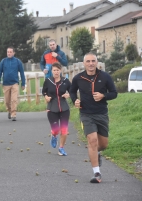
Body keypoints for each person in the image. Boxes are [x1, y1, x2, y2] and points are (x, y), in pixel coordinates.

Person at [70, 52, 117, 183]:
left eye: (93, 61)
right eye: (88, 61)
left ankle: (96, 153)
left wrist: (103, 96)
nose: (91, 64)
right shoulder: (78, 78)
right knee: (92, 140)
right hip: (86, 114)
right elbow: (72, 91)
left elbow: (114, 93)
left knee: (103, 144)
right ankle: (97, 173)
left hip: (101, 113)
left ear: (96, 62)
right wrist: (75, 101)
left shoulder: (105, 77)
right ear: (84, 63)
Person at [42, 62, 71, 156]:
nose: (56, 72)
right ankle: (54, 135)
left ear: (60, 71)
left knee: (64, 130)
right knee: (55, 130)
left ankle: (61, 148)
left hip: (64, 108)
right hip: (52, 108)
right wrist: (46, 97)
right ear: (52, 71)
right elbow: (44, 92)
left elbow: (72, 91)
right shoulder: (48, 81)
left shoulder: (65, 81)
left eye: (58, 70)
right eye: (54, 70)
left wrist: (68, 94)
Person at [0, 47, 25, 121]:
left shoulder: (17, 61)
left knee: (14, 99)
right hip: (6, 84)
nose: (9, 53)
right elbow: (0, 72)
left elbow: (22, 72)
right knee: (7, 101)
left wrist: (23, 83)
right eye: (8, 52)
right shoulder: (3, 61)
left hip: (14, 83)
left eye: (10, 52)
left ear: (13, 53)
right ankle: (9, 111)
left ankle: (13, 114)